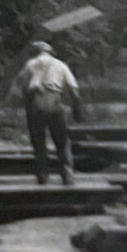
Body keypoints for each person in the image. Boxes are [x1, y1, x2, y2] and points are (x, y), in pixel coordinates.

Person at [14, 40, 82, 186]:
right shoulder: (60, 64)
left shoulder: (30, 64)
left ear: (35, 52)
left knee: (39, 142)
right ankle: (67, 177)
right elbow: (73, 89)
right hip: (55, 100)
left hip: (36, 102)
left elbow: (22, 86)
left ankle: (43, 176)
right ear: (50, 51)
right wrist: (77, 109)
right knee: (62, 142)